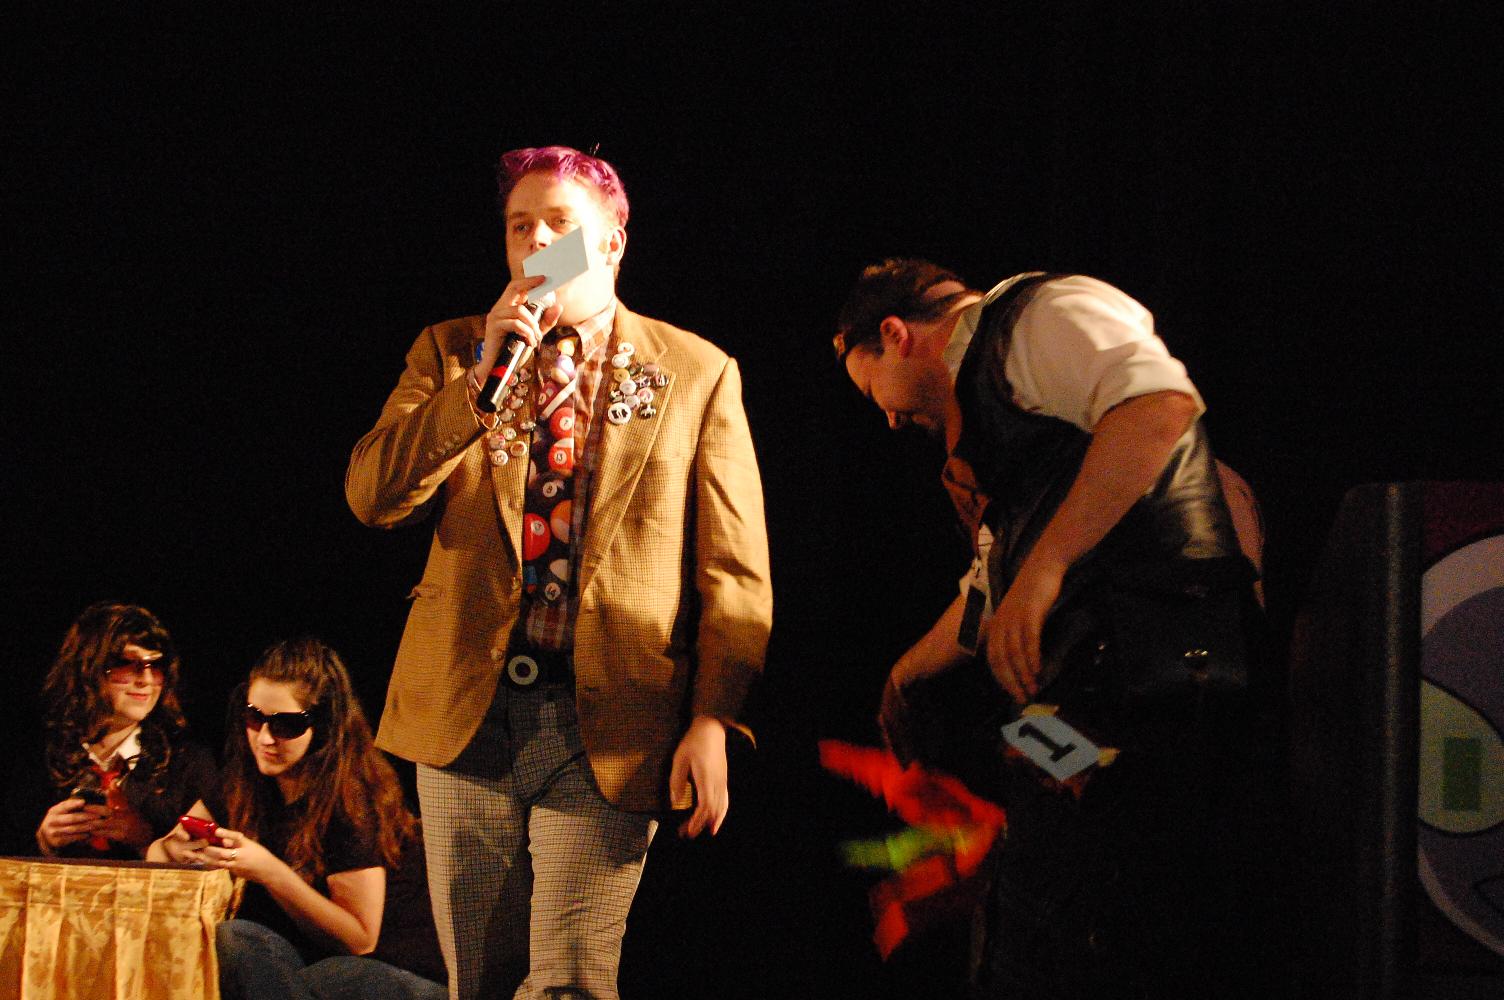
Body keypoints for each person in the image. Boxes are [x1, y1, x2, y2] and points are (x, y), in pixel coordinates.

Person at [345, 145, 772, 999]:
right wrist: (478, 385)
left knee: (572, 980)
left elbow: (734, 570)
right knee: (480, 979)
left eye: (559, 225)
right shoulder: (453, 351)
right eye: (519, 227)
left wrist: (714, 717)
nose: (536, 242)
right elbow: (373, 497)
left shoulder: (696, 371)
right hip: (468, 711)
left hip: (606, 720)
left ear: (611, 241)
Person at [834, 261, 1279, 997]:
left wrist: (1047, 568)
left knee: (1112, 931)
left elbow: (1158, 406)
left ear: (895, 335)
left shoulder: (1038, 315)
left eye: (869, 386)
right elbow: (989, 586)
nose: (886, 418)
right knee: (1040, 908)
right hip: (1081, 698)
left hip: (1160, 678)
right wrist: (904, 674)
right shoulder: (994, 431)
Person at [150, 637, 446, 1000]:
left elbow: (359, 939)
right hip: (302, 966)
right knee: (236, 939)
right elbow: (158, 852)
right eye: (254, 718)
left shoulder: (351, 801)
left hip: (390, 969)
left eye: (286, 725)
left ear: (323, 726)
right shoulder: (243, 783)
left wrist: (269, 871)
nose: (265, 738)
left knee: (328, 977)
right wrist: (173, 850)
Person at [12, 601, 217, 860]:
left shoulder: (189, 765)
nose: (146, 680)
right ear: (88, 668)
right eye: (128, 665)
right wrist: (44, 844)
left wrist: (145, 841)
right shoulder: (32, 758)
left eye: (156, 666)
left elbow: (205, 867)